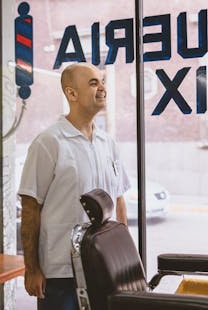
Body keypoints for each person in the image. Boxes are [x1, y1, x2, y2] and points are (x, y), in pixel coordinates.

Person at [18, 62, 130, 310]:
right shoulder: (49, 142)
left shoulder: (107, 143)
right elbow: (30, 207)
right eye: (93, 82)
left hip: (104, 267)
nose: (102, 87)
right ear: (71, 93)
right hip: (61, 273)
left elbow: (118, 199)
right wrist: (32, 268)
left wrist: (126, 258)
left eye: (102, 81)